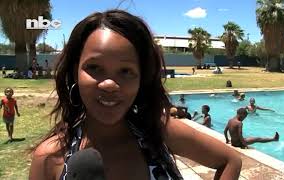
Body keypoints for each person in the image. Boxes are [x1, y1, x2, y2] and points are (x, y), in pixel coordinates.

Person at [29, 10, 241, 180]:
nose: (109, 84)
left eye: (125, 71)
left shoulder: (157, 131)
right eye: (94, 67)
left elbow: (230, 160)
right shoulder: (49, 159)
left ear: (141, 78)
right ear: (76, 71)